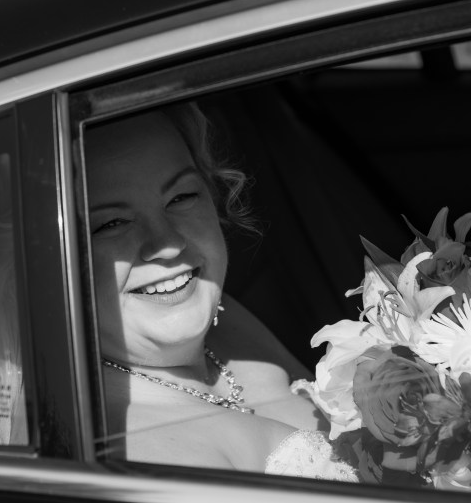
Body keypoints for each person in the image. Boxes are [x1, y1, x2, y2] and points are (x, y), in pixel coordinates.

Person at [85, 103, 357, 479]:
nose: (167, 243)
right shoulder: (141, 451)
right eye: (111, 223)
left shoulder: (217, 317)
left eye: (180, 197)